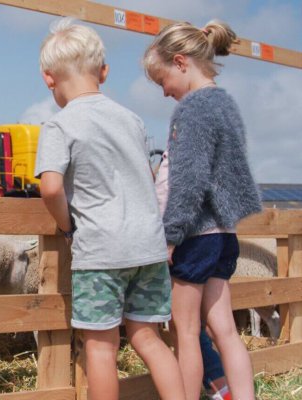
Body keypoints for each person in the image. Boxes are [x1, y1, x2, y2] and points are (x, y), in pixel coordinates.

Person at [35, 18, 185, 400]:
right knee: (148, 338)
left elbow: (50, 186)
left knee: (101, 346)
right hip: (148, 248)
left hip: (101, 251)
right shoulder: (132, 120)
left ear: (48, 79)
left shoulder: (60, 125)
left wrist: (67, 226)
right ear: (103, 71)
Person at [144, 20, 262, 400]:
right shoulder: (224, 104)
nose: (164, 93)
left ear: (181, 62)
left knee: (186, 331)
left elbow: (184, 181)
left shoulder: (191, 111)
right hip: (224, 234)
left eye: (163, 81)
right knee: (224, 329)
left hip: (194, 234)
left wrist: (168, 238)